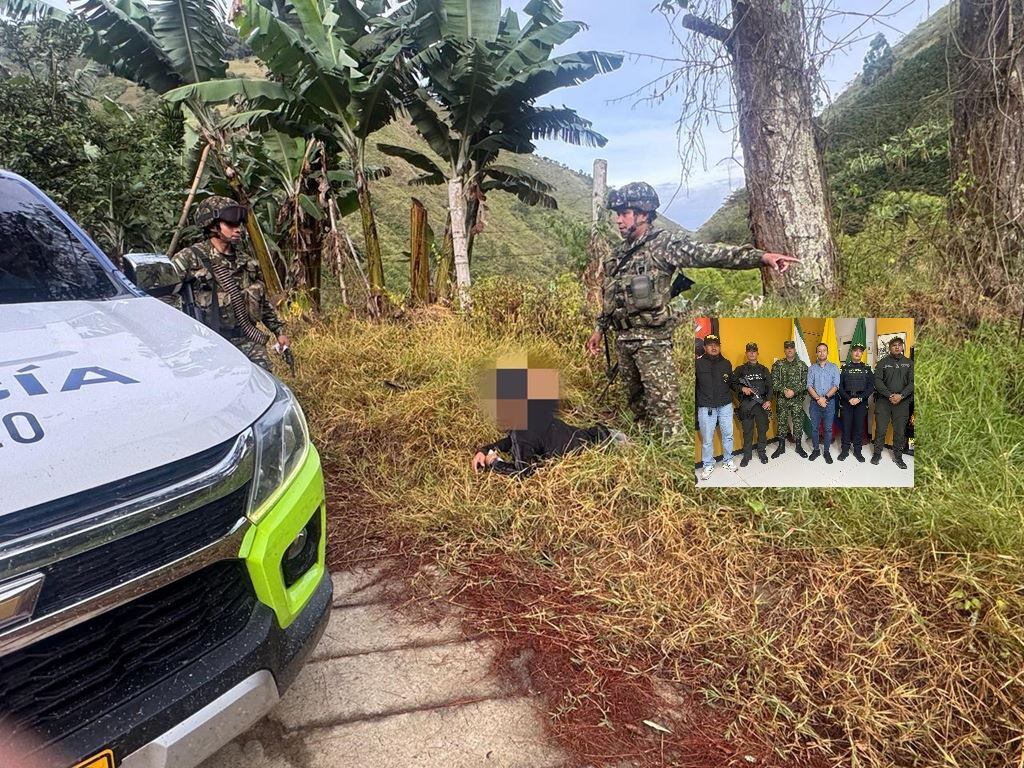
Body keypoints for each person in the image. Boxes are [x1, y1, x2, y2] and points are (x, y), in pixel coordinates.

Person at [585, 182, 799, 436]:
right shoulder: (617, 255)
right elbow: (610, 296)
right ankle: (645, 447)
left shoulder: (664, 245)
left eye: (624, 213)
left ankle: (672, 451)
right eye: (617, 214)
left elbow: (709, 254)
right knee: (635, 404)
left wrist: (760, 258)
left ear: (642, 214)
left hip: (651, 340)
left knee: (663, 405)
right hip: (623, 339)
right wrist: (599, 329)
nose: (618, 220)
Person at [172, 196, 287, 371]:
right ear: (212, 226)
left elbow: (261, 303)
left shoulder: (246, 262)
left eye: (239, 224)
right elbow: (164, 297)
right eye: (231, 224)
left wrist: (279, 331)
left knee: (264, 384)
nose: (238, 229)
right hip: (208, 343)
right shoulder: (189, 258)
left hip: (247, 340)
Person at [471, 401, 626, 477]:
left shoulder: (522, 434)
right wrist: (485, 450)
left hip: (609, 450)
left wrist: (495, 463)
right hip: (604, 434)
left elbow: (524, 473)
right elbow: (511, 441)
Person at [695, 334, 736, 480]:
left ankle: (728, 460)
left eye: (716, 345)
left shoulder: (726, 363)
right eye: (710, 345)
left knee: (728, 435)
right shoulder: (698, 364)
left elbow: (731, 383)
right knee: (707, 439)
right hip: (706, 407)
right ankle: (708, 464)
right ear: (705, 347)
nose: (714, 347)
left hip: (725, 405)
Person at [871, 336, 914, 469]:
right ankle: (877, 453)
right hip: (884, 402)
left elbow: (913, 383)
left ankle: (898, 456)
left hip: (902, 403)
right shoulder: (883, 362)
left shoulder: (909, 363)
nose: (896, 347)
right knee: (880, 430)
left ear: (903, 347)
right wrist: (890, 395)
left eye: (899, 345)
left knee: (900, 432)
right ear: (889, 348)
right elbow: (877, 381)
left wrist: (901, 396)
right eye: (894, 345)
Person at [732, 342, 772, 466]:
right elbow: (732, 383)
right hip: (746, 405)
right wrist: (742, 389)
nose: (752, 353)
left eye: (754, 351)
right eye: (749, 351)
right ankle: (747, 455)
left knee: (762, 430)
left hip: (761, 405)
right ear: (746, 353)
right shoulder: (740, 369)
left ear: (757, 353)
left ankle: (762, 452)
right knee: (747, 431)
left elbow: (770, 387)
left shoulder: (763, 369)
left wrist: (769, 400)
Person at [770, 340, 809, 458]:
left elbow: (806, 382)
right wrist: (784, 390)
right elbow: (774, 381)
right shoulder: (778, 365)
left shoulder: (802, 365)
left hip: (796, 399)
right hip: (782, 399)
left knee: (797, 422)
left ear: (795, 349)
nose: (789, 350)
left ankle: (798, 446)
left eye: (791, 347)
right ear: (784, 350)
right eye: (787, 348)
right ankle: (781, 447)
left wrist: (794, 391)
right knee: (781, 422)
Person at [838, 342, 874, 462]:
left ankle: (858, 451)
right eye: (855, 350)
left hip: (861, 402)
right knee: (846, 427)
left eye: (860, 351)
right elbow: (840, 386)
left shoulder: (867, 369)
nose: (858, 353)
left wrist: (859, 398)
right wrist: (849, 398)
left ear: (862, 354)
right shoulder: (844, 368)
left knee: (858, 427)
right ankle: (844, 450)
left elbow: (870, 387)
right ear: (851, 353)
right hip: (847, 401)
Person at [806, 343, 840, 463]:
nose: (821, 353)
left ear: (827, 352)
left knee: (828, 429)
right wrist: (818, 399)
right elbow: (809, 385)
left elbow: (836, 386)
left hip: (829, 403)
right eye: (819, 351)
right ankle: (816, 450)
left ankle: (826, 452)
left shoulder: (834, 368)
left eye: (824, 350)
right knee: (814, 428)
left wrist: (824, 398)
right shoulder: (811, 368)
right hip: (815, 403)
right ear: (816, 353)